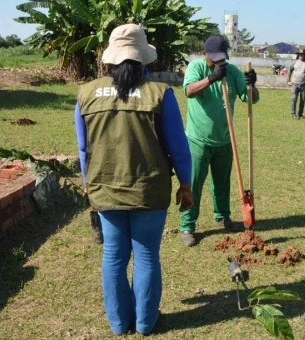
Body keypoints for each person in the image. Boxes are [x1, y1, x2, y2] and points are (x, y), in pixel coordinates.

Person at [74, 24, 194, 335]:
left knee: (113, 255)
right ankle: (145, 323)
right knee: (146, 255)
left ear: (111, 59)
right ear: (142, 59)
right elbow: (179, 149)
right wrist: (186, 184)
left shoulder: (86, 95)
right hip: (149, 190)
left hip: (104, 189)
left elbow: (83, 149)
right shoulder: (160, 94)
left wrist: (89, 185)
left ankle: (118, 324)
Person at [179, 35, 260, 247]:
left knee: (222, 183)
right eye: (213, 58)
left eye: (221, 58)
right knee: (194, 184)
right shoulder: (196, 67)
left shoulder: (232, 71)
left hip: (226, 139)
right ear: (205, 54)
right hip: (198, 140)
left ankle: (222, 217)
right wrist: (211, 78)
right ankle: (187, 226)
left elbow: (249, 98)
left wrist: (252, 85)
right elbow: (188, 91)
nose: (218, 62)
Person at [287, 49, 305, 120]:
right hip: (294, 83)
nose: (301, 56)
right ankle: (293, 114)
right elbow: (289, 71)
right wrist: (288, 80)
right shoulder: (295, 62)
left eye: (302, 54)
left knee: (302, 99)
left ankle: (300, 114)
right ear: (298, 55)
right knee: (293, 98)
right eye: (300, 54)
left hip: (304, 84)